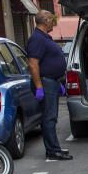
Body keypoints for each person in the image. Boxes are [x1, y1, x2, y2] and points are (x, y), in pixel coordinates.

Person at [26, 10, 72, 161]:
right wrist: (39, 86)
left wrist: (57, 82)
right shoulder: (37, 39)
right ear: (45, 20)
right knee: (49, 118)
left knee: (51, 117)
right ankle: (53, 151)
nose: (53, 22)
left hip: (51, 82)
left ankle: (54, 147)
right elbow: (33, 64)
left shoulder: (44, 38)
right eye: (52, 19)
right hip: (45, 83)